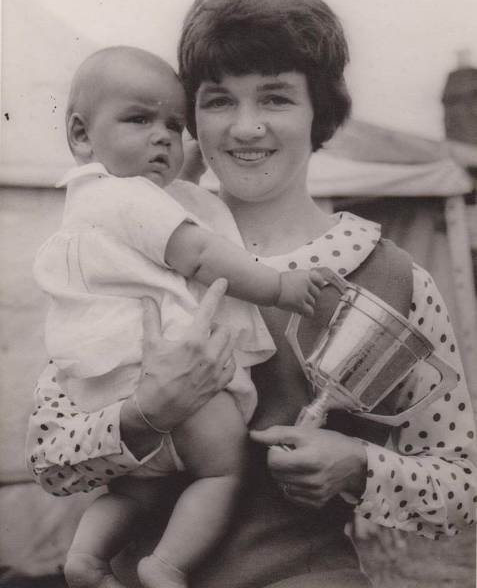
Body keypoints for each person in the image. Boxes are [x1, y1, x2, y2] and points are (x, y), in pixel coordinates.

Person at [27, 0, 476, 588]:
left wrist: (359, 465)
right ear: (191, 120)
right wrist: (142, 413)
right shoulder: (127, 243)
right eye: (217, 100)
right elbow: (51, 461)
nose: (245, 127)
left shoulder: (390, 275)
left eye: (275, 98)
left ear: (321, 112)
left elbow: (462, 489)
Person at [32, 45, 324, 588]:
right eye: (140, 119)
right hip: (172, 378)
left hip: (110, 391)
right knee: (222, 470)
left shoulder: (86, 205)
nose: (164, 136)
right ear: (80, 135)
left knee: (135, 491)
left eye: (174, 123)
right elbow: (201, 255)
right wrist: (279, 286)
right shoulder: (129, 196)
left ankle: (87, 556)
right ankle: (166, 565)